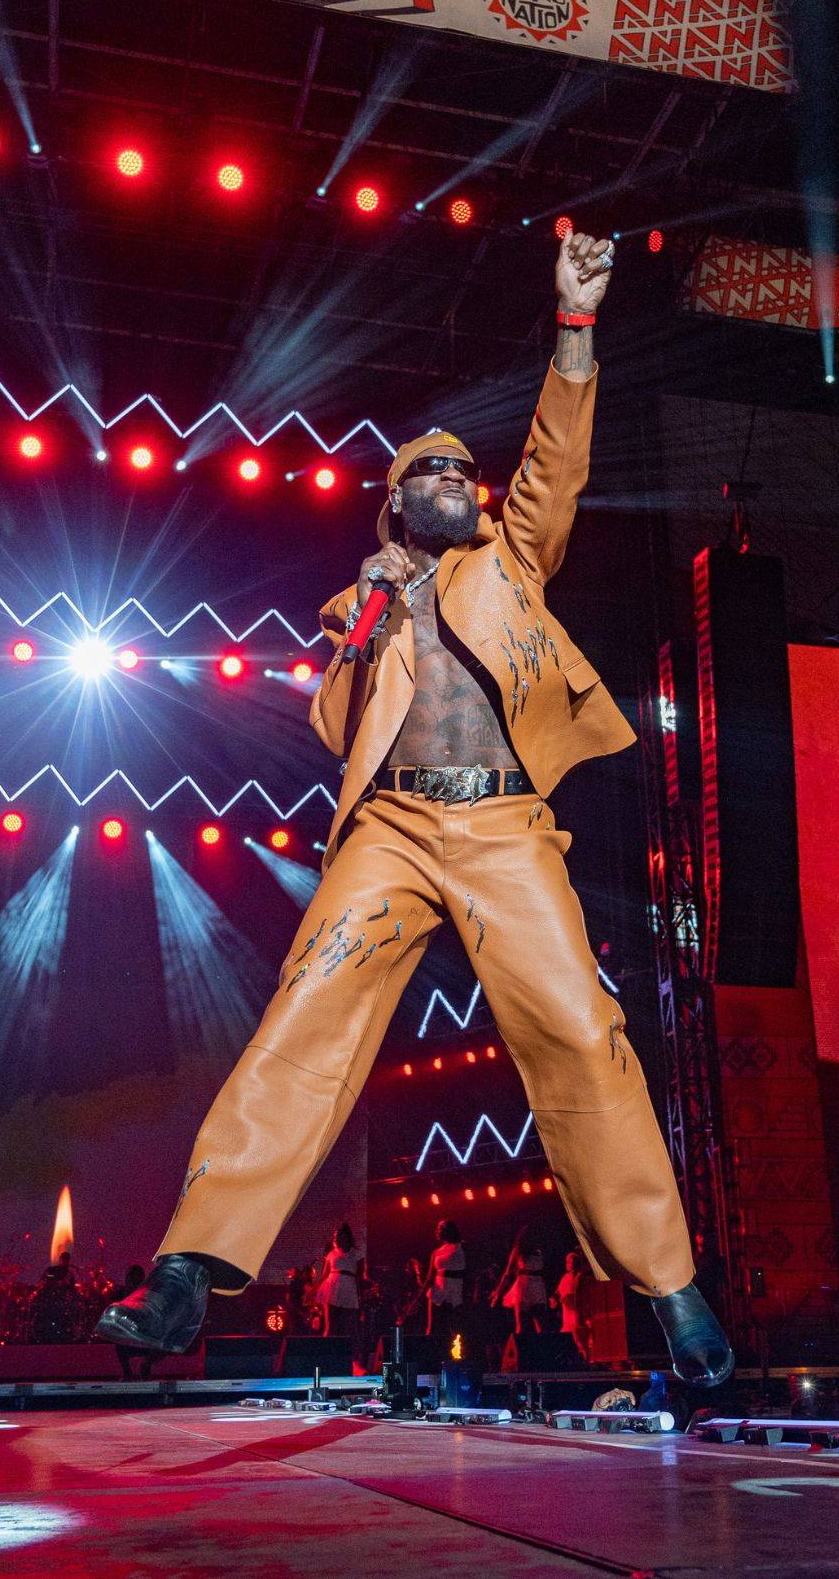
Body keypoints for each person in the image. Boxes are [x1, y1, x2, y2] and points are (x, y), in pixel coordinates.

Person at [97, 231, 732, 1388]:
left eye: (461, 474)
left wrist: (575, 327)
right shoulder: (364, 599)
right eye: (428, 474)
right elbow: (337, 728)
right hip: (389, 830)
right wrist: (363, 621)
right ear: (393, 505)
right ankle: (189, 1264)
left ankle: (669, 1280)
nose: (452, 482)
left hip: (502, 825)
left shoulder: (513, 562)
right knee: (306, 1013)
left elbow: (555, 463)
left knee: (581, 1030)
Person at [492, 1224, 549, 1336]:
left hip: (536, 1286)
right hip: (525, 1285)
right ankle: (521, 1345)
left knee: (540, 1324)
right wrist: (498, 1292)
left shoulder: (539, 1251)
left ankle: (542, 1346)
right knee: (523, 1325)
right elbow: (507, 1272)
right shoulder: (518, 1251)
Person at [423, 1219, 465, 1350]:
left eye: (440, 1228)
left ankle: (457, 1354)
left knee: (455, 1325)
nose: (437, 1231)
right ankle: (429, 1353)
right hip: (437, 1289)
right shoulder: (436, 1252)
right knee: (432, 1326)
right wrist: (418, 1297)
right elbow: (430, 1276)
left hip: (454, 1288)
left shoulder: (461, 1246)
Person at [318, 1223, 364, 1339]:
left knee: (351, 1325)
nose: (336, 1238)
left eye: (338, 1235)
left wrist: (360, 1295)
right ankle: (327, 1347)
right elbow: (324, 1275)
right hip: (332, 1286)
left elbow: (360, 1276)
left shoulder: (356, 1254)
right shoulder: (331, 1254)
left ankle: (351, 1350)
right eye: (335, 1236)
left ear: (346, 1236)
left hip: (349, 1288)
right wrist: (313, 1290)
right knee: (330, 1325)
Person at [552, 1249, 589, 1361]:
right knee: (566, 1337)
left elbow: (581, 1294)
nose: (568, 1264)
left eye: (571, 1262)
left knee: (579, 1337)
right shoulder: (565, 1277)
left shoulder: (580, 1277)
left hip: (576, 1313)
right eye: (567, 1262)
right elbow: (558, 1292)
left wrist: (569, 1298)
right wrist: (554, 1299)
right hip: (566, 1315)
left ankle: (586, 1360)